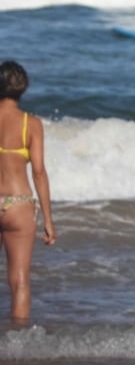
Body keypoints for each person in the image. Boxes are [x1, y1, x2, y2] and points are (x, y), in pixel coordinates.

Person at [0, 61, 56, 324]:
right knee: (19, 279)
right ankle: (18, 344)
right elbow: (39, 173)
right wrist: (48, 220)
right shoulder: (30, 124)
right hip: (19, 204)